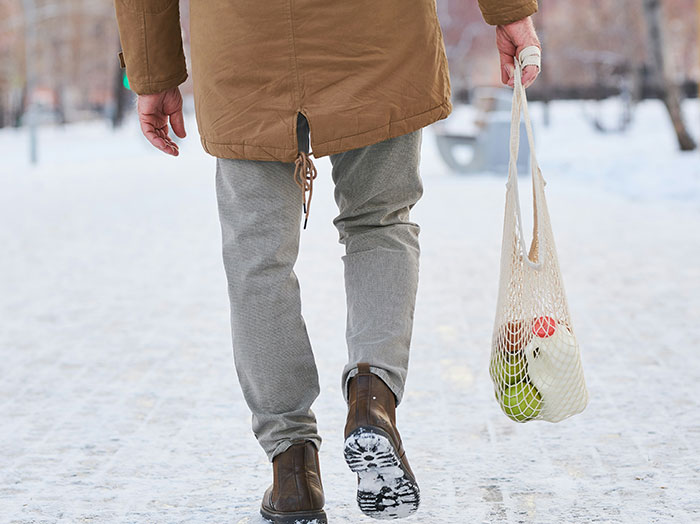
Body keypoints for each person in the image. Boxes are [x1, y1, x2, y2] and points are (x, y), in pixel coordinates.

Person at [113, 1, 541, 521]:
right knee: (379, 221)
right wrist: (509, 11)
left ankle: (292, 469)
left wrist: (153, 69)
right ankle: (372, 398)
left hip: (243, 41)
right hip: (377, 32)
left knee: (258, 258)